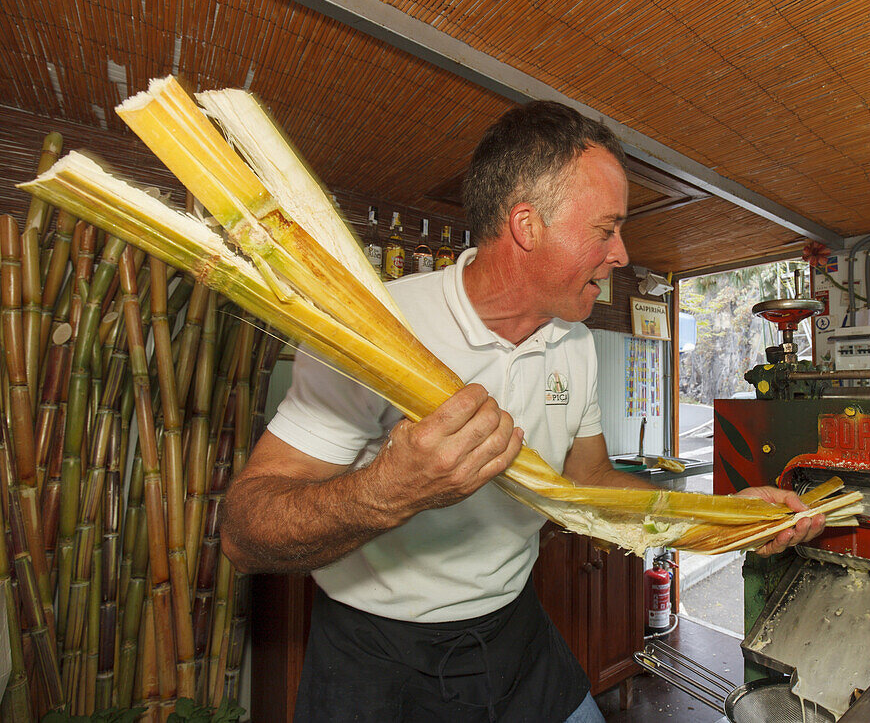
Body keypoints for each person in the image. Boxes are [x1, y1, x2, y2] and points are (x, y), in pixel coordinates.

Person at [221, 101, 824, 722]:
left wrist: (723, 518)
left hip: (515, 632)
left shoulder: (574, 342)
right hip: (375, 653)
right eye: (606, 229)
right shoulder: (379, 329)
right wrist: (390, 491)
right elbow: (244, 534)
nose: (621, 253)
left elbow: (587, 483)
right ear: (527, 225)